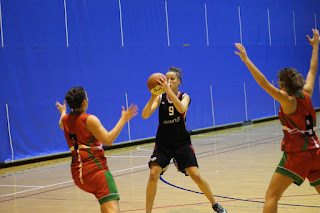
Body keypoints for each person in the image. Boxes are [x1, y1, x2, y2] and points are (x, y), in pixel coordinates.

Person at [235, 29, 320, 213]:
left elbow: (264, 83)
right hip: (316, 152)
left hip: (298, 154)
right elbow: (313, 70)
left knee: (272, 196)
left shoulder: (288, 101)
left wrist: (246, 60)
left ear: (282, 86)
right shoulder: (307, 94)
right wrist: (316, 47)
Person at [142, 67, 228, 213]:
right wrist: (152, 95)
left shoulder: (184, 96)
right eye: (166, 79)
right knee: (153, 174)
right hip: (163, 144)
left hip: (181, 142)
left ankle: (215, 204)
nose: (168, 81)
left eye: (172, 79)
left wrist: (168, 91)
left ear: (179, 82)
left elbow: (181, 109)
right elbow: (145, 115)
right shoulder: (160, 98)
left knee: (196, 175)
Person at [55, 86, 138, 213]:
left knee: (105, 207)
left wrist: (63, 111)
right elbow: (108, 140)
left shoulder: (65, 120)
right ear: (84, 102)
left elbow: (61, 123)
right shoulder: (89, 119)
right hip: (96, 171)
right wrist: (123, 119)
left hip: (78, 174)